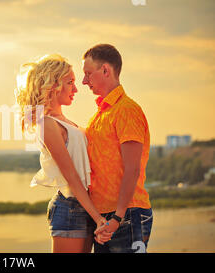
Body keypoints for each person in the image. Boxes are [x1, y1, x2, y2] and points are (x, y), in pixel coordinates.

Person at [15, 54, 111, 253]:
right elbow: (72, 176)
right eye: (70, 83)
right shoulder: (47, 123)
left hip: (87, 206)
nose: (76, 89)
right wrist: (98, 218)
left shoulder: (65, 121)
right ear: (53, 85)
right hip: (71, 209)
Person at [82, 44, 153, 253]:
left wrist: (117, 217)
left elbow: (132, 169)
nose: (84, 81)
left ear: (105, 70)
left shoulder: (127, 110)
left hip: (126, 215)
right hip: (106, 218)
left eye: (87, 74)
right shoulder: (99, 114)